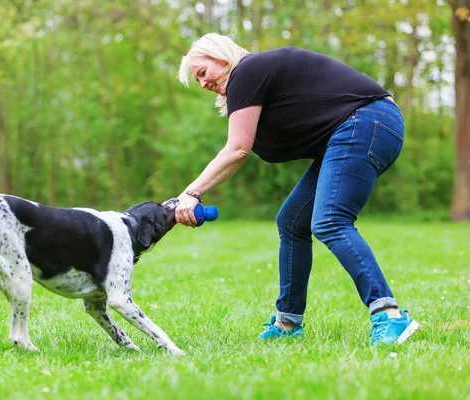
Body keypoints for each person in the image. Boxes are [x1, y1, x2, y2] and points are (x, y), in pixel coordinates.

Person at [174, 33, 419, 345]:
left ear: (221, 58)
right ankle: (289, 323)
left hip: (367, 121)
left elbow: (237, 150)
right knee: (292, 220)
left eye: (202, 73)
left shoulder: (245, 73)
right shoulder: (252, 87)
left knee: (330, 220)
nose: (203, 84)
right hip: (360, 129)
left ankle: (390, 315)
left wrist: (191, 192)